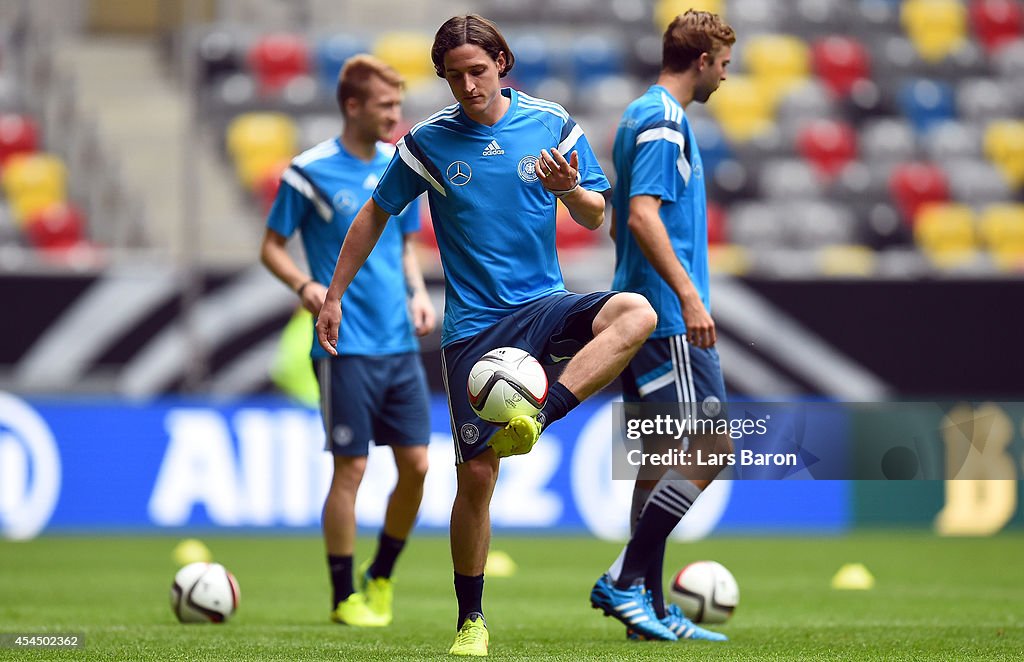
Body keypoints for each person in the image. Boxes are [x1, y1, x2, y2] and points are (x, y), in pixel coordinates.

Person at [315, 15, 659, 656]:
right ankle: (470, 620)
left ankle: (541, 412)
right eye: (454, 78)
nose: (468, 86)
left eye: (477, 70)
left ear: (501, 61)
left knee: (636, 312)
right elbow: (373, 216)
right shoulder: (426, 144)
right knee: (476, 478)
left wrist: (572, 189)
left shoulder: (552, 123)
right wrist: (333, 296)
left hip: (545, 305)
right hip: (474, 326)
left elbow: (596, 212)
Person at [260, 54, 435, 628]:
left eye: (398, 104)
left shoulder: (397, 165)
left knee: (417, 465)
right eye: (386, 106)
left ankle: (380, 575)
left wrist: (416, 291)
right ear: (353, 106)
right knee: (351, 469)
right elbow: (272, 247)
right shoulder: (308, 172)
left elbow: (405, 242)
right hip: (343, 346)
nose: (396, 115)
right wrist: (305, 284)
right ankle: (342, 597)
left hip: (398, 342)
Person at [590, 9, 736, 642]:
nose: (726, 78)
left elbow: (623, 218)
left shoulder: (636, 114)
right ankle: (624, 579)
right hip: (667, 318)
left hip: (638, 310)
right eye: (724, 65)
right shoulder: (664, 121)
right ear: (701, 61)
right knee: (711, 450)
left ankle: (643, 610)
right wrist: (688, 296)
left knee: (655, 462)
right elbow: (644, 216)